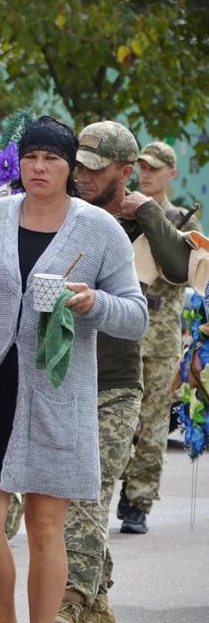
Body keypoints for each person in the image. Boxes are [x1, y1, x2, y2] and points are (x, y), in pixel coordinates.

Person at [0, 116, 148, 623]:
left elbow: (136, 317)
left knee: (45, 527)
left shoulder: (99, 230)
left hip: (56, 396)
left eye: (52, 158)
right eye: (30, 157)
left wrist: (91, 303)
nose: (39, 167)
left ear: (70, 167)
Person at [49, 122, 193, 623]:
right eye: (78, 164)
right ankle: (100, 606)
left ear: (125, 171)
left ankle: (71, 603)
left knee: (89, 495)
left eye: (94, 167)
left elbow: (180, 268)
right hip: (58, 375)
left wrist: (148, 213)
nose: (82, 175)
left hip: (117, 378)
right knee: (64, 499)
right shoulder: (60, 212)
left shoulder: (157, 219)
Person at [118, 141, 199, 534]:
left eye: (154, 168)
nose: (146, 174)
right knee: (119, 418)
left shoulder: (185, 221)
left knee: (152, 425)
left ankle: (139, 500)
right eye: (142, 168)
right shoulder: (118, 212)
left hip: (162, 337)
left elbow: (187, 270)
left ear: (172, 173)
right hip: (123, 333)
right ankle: (116, 480)